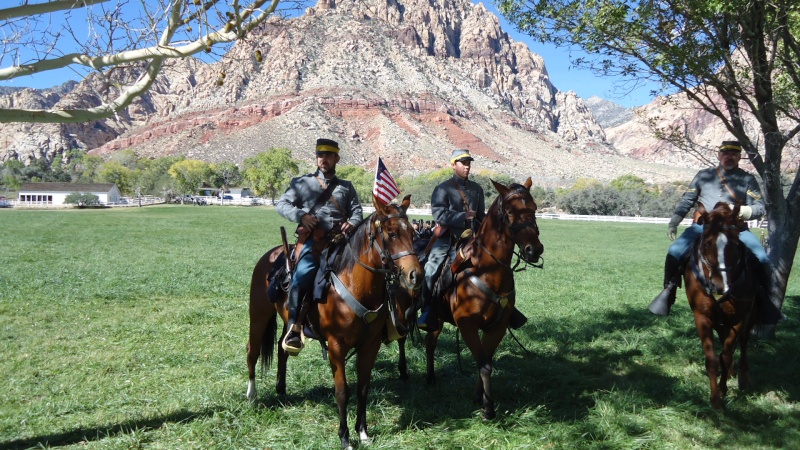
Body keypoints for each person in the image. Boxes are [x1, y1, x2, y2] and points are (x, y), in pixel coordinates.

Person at [648, 140, 781, 338]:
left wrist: (743, 211)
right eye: (725, 153)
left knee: (762, 258)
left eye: (734, 154)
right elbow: (687, 200)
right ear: (719, 156)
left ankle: (764, 301)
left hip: (734, 229)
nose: (729, 157)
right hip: (704, 227)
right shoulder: (704, 176)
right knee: (675, 252)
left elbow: (760, 207)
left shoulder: (747, 179)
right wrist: (674, 221)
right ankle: (669, 291)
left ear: (739, 157)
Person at [275, 138, 363, 354]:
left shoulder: (346, 187)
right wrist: (301, 216)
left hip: (343, 243)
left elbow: (357, 210)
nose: (323, 159)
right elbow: (282, 204)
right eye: (320, 155)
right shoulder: (302, 183)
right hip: (315, 242)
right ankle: (294, 326)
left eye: (328, 156)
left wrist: (352, 222)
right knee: (303, 273)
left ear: (336, 158)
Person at [417, 149, 486, 330]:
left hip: (472, 239)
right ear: (453, 165)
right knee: (431, 269)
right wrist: (463, 216)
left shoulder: (477, 189)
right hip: (447, 239)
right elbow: (439, 214)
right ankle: (428, 309)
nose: (467, 166)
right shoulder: (442, 188)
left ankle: (504, 307)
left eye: (469, 163)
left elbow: (480, 216)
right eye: (463, 163)